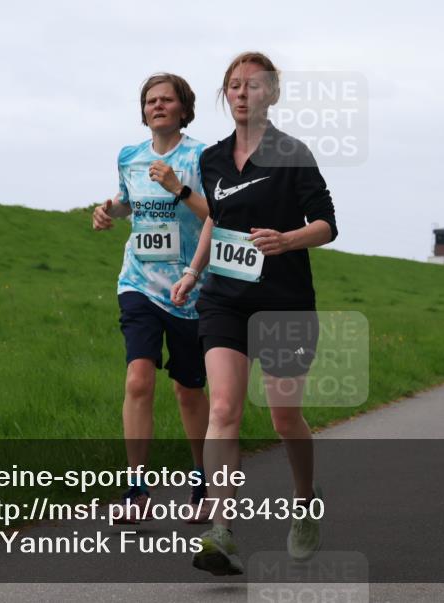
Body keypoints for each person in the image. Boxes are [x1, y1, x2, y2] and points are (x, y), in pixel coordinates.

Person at [171, 51, 337, 575]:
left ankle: (305, 499)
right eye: (234, 86)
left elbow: (328, 224)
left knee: (285, 416)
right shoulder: (213, 158)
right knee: (224, 408)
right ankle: (221, 530)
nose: (243, 93)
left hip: (284, 300)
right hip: (223, 297)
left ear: (272, 94)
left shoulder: (293, 153)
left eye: (254, 85)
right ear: (227, 95)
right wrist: (194, 273)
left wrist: (287, 240)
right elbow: (215, 222)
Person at [92, 73, 212, 524]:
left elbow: (216, 215)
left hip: (189, 289)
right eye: (150, 100)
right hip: (138, 281)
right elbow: (127, 201)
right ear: (143, 110)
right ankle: (137, 488)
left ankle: (201, 479)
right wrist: (108, 210)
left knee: (187, 389)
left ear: (183, 107)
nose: (157, 106)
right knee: (138, 379)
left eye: (166, 100)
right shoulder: (130, 156)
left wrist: (177, 188)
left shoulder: (201, 155)